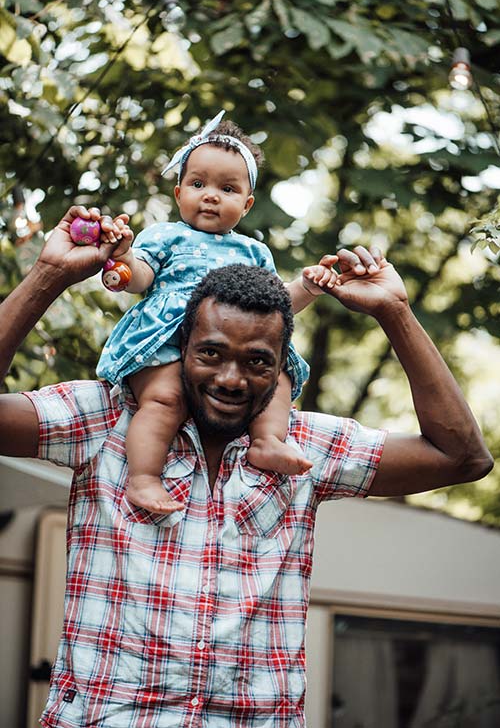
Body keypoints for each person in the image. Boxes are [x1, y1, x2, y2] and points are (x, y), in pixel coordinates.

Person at [0, 205, 492, 728]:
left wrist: (395, 312)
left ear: (283, 368)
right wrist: (48, 276)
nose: (232, 379)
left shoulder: (304, 446)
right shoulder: (105, 419)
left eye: (257, 361)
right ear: (179, 345)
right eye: (210, 353)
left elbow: (461, 456)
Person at [96, 111, 348, 514]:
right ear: (179, 194)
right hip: (166, 340)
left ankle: (267, 442)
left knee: (279, 377)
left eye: (227, 189)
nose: (210, 195)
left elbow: (274, 308)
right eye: (198, 184)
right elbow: (141, 275)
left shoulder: (253, 252)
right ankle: (144, 477)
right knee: (164, 399)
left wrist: (308, 287)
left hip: (237, 345)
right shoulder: (165, 235)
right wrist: (123, 260)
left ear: (247, 204)